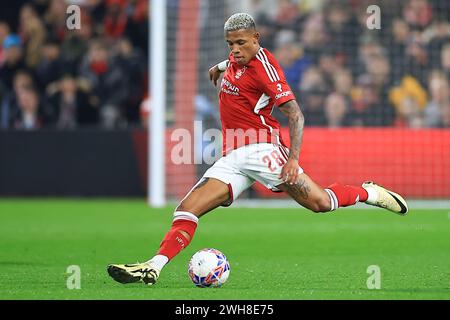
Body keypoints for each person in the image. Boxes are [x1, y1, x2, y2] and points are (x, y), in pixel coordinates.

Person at [107, 13, 408, 286]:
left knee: (320, 203)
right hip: (233, 157)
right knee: (187, 208)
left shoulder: (265, 68)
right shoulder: (236, 58)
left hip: (262, 149)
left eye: (240, 43)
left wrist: (292, 159)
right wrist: (220, 66)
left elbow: (295, 114)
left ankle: (368, 192)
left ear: (256, 39)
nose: (234, 50)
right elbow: (236, 61)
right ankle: (153, 266)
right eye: (230, 45)